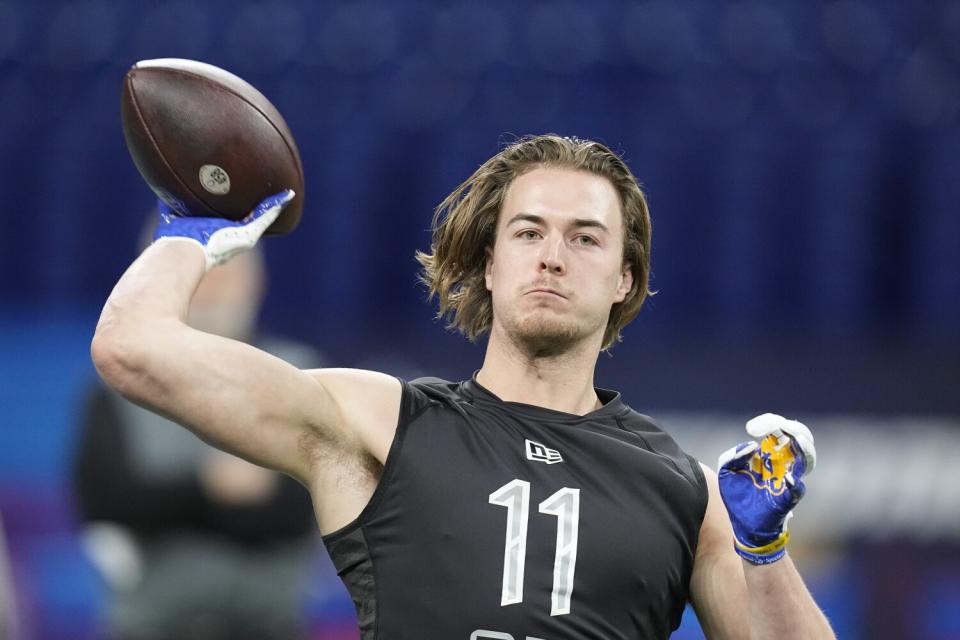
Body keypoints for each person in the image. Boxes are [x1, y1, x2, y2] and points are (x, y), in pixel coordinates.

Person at [91, 134, 835, 639]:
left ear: (624, 279)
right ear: (489, 263)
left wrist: (763, 550)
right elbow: (132, 347)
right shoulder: (380, 425)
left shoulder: (687, 492)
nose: (551, 257)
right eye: (527, 232)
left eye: (584, 238)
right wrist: (188, 233)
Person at [75, 245, 319, 640]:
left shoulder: (303, 376)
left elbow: (298, 512)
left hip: (268, 626)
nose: (211, 287)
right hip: (149, 628)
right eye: (197, 273)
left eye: (225, 270)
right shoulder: (115, 384)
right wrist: (211, 487)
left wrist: (165, 507)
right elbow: (106, 500)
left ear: (256, 281)